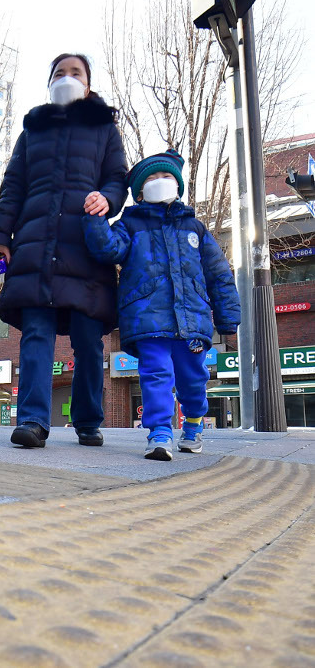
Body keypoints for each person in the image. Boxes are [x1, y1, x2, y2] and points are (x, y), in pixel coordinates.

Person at [0, 53, 127, 449]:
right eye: (59, 73)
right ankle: (31, 420)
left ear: (89, 85)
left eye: (75, 72)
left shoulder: (105, 129)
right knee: (36, 334)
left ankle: (87, 420)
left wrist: (108, 199)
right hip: (34, 246)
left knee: (87, 339)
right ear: (49, 83)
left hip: (85, 248)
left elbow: (118, 177)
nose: (67, 78)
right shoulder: (32, 130)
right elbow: (12, 187)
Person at [82, 149, 241, 460]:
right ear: (139, 191)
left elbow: (219, 274)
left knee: (194, 379)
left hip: (192, 323)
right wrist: (96, 219)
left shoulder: (195, 228)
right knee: (156, 374)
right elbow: (108, 249)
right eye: (152, 178)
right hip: (147, 320)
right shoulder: (130, 225)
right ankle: (159, 433)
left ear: (178, 185)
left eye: (166, 176)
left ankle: (193, 425)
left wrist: (227, 317)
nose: (160, 181)